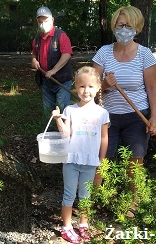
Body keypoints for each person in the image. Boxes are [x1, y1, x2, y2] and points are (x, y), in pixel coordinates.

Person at [92, 6, 156, 218]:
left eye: (128, 26)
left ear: (137, 28)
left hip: (136, 117)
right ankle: (94, 201)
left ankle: (133, 203)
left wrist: (154, 118)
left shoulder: (145, 55)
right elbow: (89, 86)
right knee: (101, 159)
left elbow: (152, 88)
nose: (123, 30)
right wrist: (104, 84)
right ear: (114, 26)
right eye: (120, 25)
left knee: (135, 160)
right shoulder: (103, 53)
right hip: (107, 118)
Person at [51, 66, 109, 243]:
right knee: (69, 194)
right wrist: (58, 119)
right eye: (82, 86)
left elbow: (104, 138)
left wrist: (101, 159)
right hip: (71, 159)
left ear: (98, 87)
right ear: (76, 87)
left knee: (86, 196)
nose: (86, 90)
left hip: (91, 161)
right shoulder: (70, 110)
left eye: (90, 86)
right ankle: (67, 227)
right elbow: (66, 133)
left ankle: (83, 224)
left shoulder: (102, 113)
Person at [31, 6, 74, 123]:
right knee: (47, 109)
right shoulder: (37, 39)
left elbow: (67, 54)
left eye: (46, 21)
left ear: (52, 20)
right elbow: (34, 54)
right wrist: (34, 60)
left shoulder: (61, 36)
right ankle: (50, 133)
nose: (43, 24)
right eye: (40, 22)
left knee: (62, 107)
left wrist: (54, 70)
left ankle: (65, 133)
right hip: (45, 81)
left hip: (61, 80)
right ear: (37, 22)